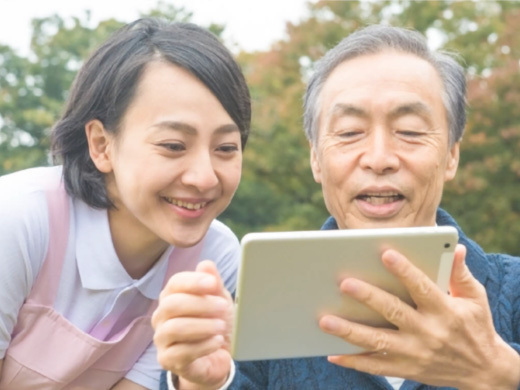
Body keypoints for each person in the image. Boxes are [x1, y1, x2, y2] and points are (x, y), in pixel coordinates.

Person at [154, 24, 520, 390]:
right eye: (348, 132)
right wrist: (201, 382)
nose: (379, 159)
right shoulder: (252, 310)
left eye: (409, 130)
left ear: (451, 155)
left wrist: (497, 371)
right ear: (316, 159)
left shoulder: (513, 290)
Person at [0, 17, 250, 390]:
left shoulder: (213, 258)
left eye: (226, 148)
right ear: (101, 145)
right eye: (173, 146)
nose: (205, 177)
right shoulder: (18, 218)